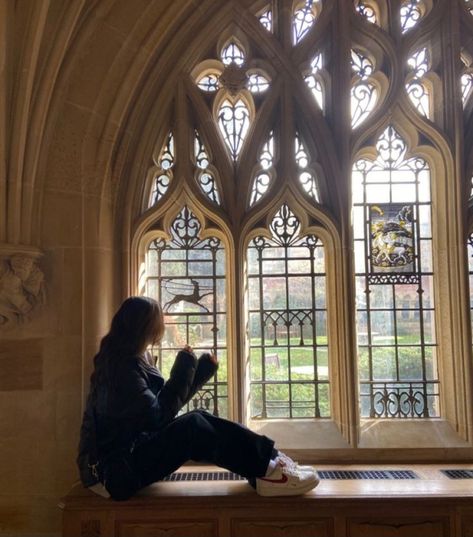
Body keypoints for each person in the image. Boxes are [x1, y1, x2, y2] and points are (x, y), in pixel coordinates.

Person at [77, 296, 319, 500]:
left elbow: (159, 409)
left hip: (125, 463)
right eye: (157, 322)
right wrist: (184, 368)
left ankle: (267, 465)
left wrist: (199, 371)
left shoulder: (133, 359)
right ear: (146, 328)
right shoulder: (121, 369)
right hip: (112, 475)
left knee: (197, 418)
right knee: (193, 426)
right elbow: (157, 417)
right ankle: (269, 469)